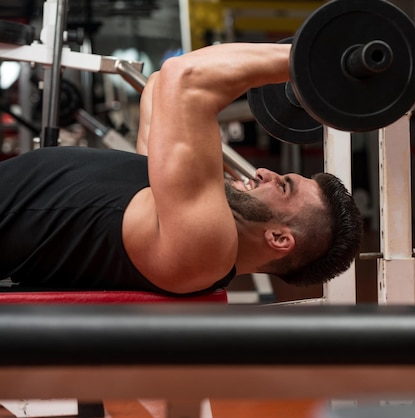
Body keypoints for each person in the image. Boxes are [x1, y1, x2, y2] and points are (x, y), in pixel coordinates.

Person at [0, 42, 363, 296]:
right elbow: (160, 87)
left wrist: (324, 59)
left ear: (280, 239)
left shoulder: (205, 247)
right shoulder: (175, 215)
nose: (265, 173)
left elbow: (187, 78)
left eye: (283, 186)